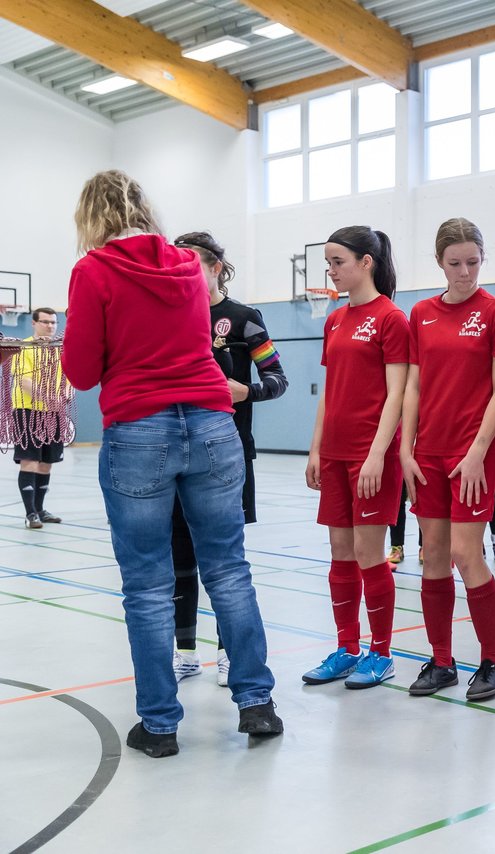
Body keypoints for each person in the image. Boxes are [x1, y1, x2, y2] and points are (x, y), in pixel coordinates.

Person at [62, 170, 281, 757]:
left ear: (91, 216)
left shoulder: (93, 270)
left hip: (139, 430)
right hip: (212, 423)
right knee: (229, 570)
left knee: (147, 586)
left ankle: (159, 726)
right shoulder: (188, 265)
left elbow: (82, 371)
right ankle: (256, 701)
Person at [398, 218, 495, 702]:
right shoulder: (420, 313)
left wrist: (478, 451)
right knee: (432, 557)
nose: (465, 272)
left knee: (468, 555)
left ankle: (494, 662)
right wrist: (404, 448)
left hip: (473, 453)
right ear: (439, 263)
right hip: (427, 451)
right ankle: (442, 659)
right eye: (455, 263)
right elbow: (413, 386)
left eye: (472, 261)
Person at [170, 231, 288, 688]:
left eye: (193, 264)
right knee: (179, 558)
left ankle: (227, 652)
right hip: (175, 457)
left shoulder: (242, 319)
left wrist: (248, 392)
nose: (183, 273)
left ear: (217, 267)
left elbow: (277, 378)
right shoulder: (166, 316)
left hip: (228, 454)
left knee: (222, 560)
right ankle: (183, 651)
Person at [302, 226, 409, 689]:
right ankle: (346, 647)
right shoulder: (334, 320)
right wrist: (315, 448)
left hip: (372, 457)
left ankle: (380, 654)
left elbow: (397, 395)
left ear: (367, 262)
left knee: (370, 554)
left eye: (338, 262)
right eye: (328, 263)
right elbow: (330, 390)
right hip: (335, 455)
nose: (331, 270)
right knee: (340, 553)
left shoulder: (391, 319)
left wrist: (376, 455)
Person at [12, 307, 70, 529]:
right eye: (45, 322)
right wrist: (49, 399)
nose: (50, 326)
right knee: (30, 461)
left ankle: (40, 509)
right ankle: (30, 514)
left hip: (53, 413)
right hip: (28, 411)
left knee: (47, 463)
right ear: (34, 323)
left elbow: (69, 379)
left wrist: (64, 397)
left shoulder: (59, 350)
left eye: (53, 322)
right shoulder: (23, 348)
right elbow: (25, 382)